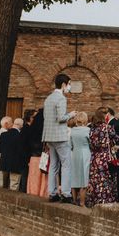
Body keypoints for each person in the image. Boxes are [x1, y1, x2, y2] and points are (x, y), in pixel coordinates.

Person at [42, 73, 77, 203]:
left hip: (49, 136)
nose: (69, 87)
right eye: (69, 84)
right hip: (60, 137)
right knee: (66, 165)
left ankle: (52, 192)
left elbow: (47, 118)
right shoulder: (61, 98)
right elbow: (60, 118)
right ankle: (66, 193)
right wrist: (71, 114)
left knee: (53, 166)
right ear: (63, 85)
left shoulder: (48, 98)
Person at [85, 107, 119, 206]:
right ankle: (105, 200)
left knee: (94, 180)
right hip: (105, 157)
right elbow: (118, 139)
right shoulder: (107, 128)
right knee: (105, 180)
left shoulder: (92, 129)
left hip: (94, 158)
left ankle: (93, 200)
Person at [0, 118, 25, 191]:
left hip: (3, 163)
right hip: (16, 164)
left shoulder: (3, 134)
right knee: (14, 186)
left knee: (0, 185)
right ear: (21, 126)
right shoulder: (21, 136)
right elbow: (22, 151)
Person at [70, 111, 91, 206]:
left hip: (74, 154)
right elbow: (91, 144)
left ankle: (74, 200)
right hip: (85, 153)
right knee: (84, 178)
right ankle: (82, 202)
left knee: (74, 177)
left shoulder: (72, 130)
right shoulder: (88, 130)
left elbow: (70, 145)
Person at [26, 108, 48, 197]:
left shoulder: (31, 130)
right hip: (44, 157)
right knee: (43, 180)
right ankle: (42, 195)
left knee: (33, 180)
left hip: (33, 158)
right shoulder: (46, 130)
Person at [19, 109, 37, 193]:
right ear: (30, 118)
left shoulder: (31, 129)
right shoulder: (25, 130)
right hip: (26, 160)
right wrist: (27, 160)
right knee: (24, 182)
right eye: (34, 117)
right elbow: (23, 147)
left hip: (29, 159)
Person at [0, 116, 12, 188]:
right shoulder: (3, 134)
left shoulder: (2, 133)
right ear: (6, 124)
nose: (12, 124)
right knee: (1, 183)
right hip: (2, 161)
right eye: (11, 122)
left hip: (2, 161)